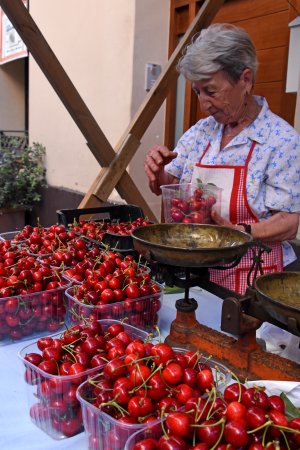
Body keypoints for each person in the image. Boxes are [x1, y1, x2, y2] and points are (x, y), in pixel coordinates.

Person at [144, 23, 300, 295]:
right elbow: (170, 185)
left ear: (246, 80)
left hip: (253, 280)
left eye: (211, 91)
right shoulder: (200, 133)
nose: (204, 103)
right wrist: (157, 172)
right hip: (197, 274)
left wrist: (238, 232)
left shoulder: (280, 140)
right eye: (197, 92)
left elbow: (288, 222)